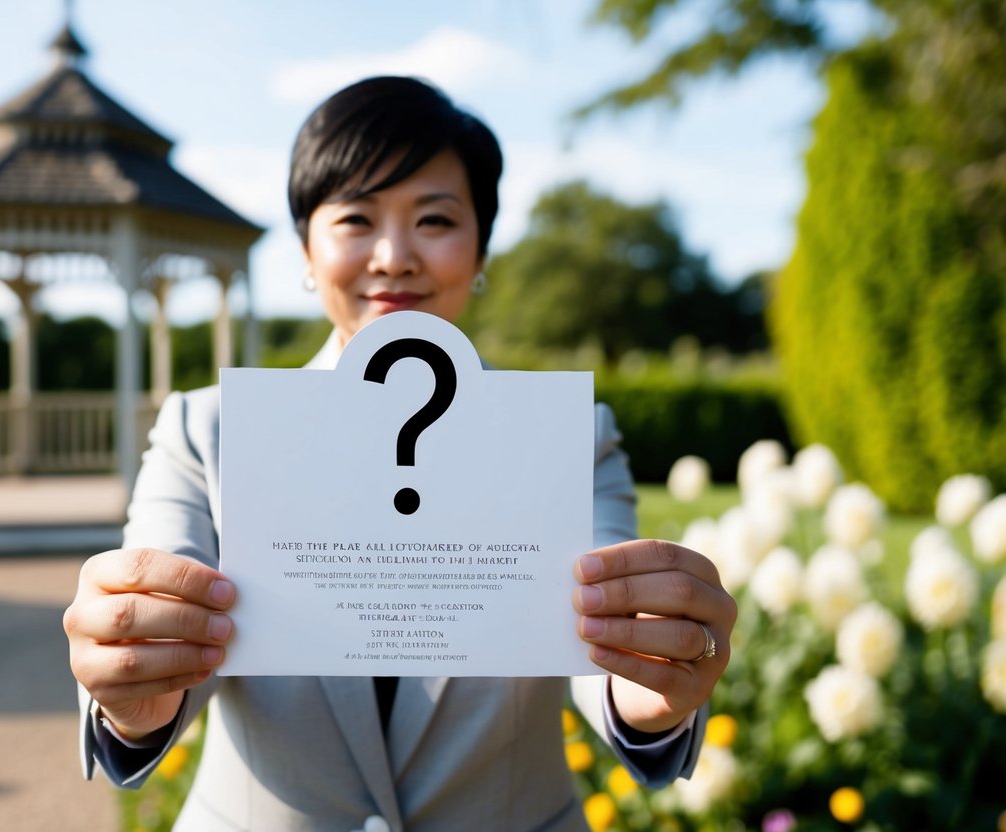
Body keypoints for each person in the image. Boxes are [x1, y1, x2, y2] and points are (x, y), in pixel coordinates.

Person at [64, 76, 736, 832]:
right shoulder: (208, 431)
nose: (393, 256)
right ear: (307, 251)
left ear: (480, 246)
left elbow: (599, 643)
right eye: (355, 217)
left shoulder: (568, 433)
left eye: (436, 219)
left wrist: (646, 693)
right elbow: (156, 632)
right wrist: (137, 701)